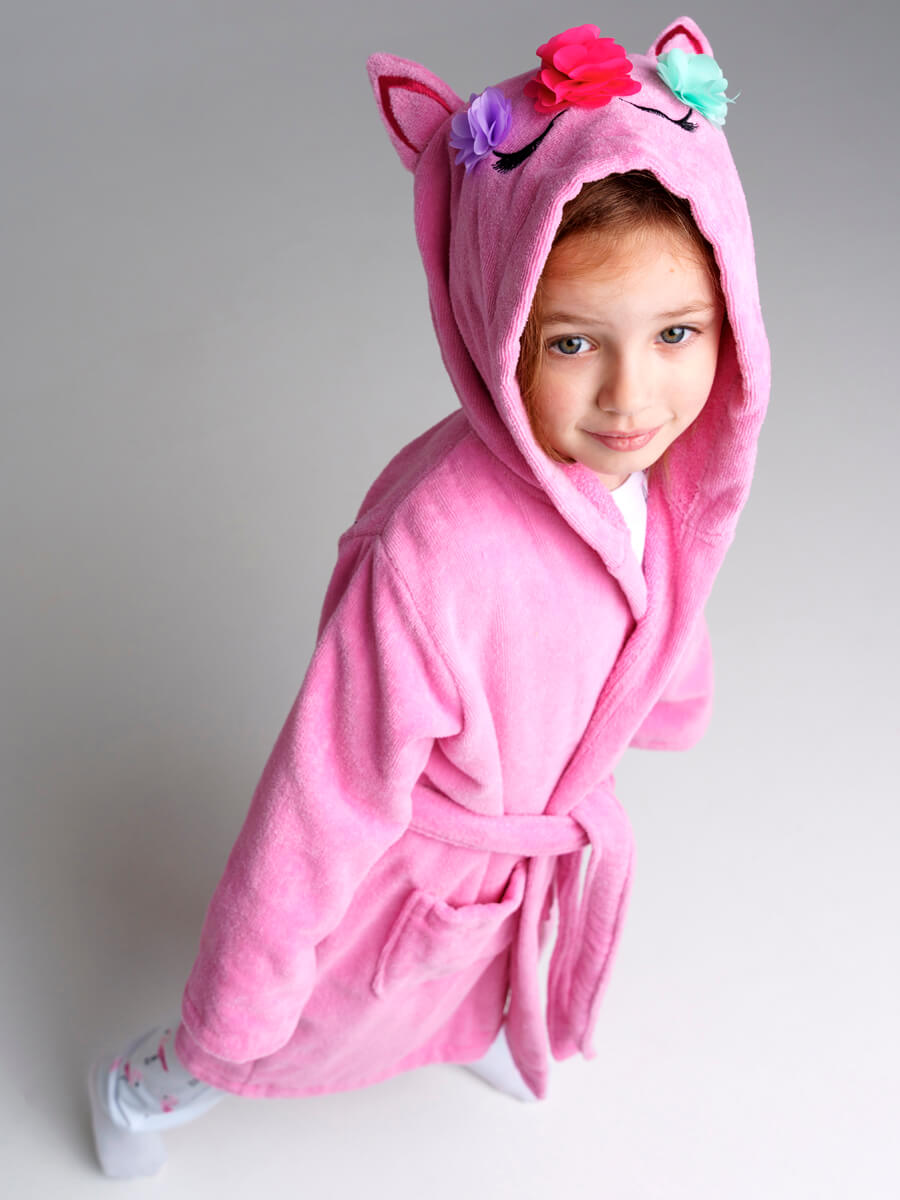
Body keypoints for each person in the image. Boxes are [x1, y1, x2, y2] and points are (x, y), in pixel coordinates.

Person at [88, 16, 770, 1178]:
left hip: (514, 854)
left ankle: (483, 1024)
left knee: (472, 969)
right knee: (293, 1029)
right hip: (399, 864)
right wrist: (243, 991)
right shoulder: (429, 551)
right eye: (572, 345)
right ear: (496, 328)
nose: (632, 395)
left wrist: (664, 699)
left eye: (675, 333)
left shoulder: (661, 479)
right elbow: (322, 792)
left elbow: (659, 597)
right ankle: (152, 1080)